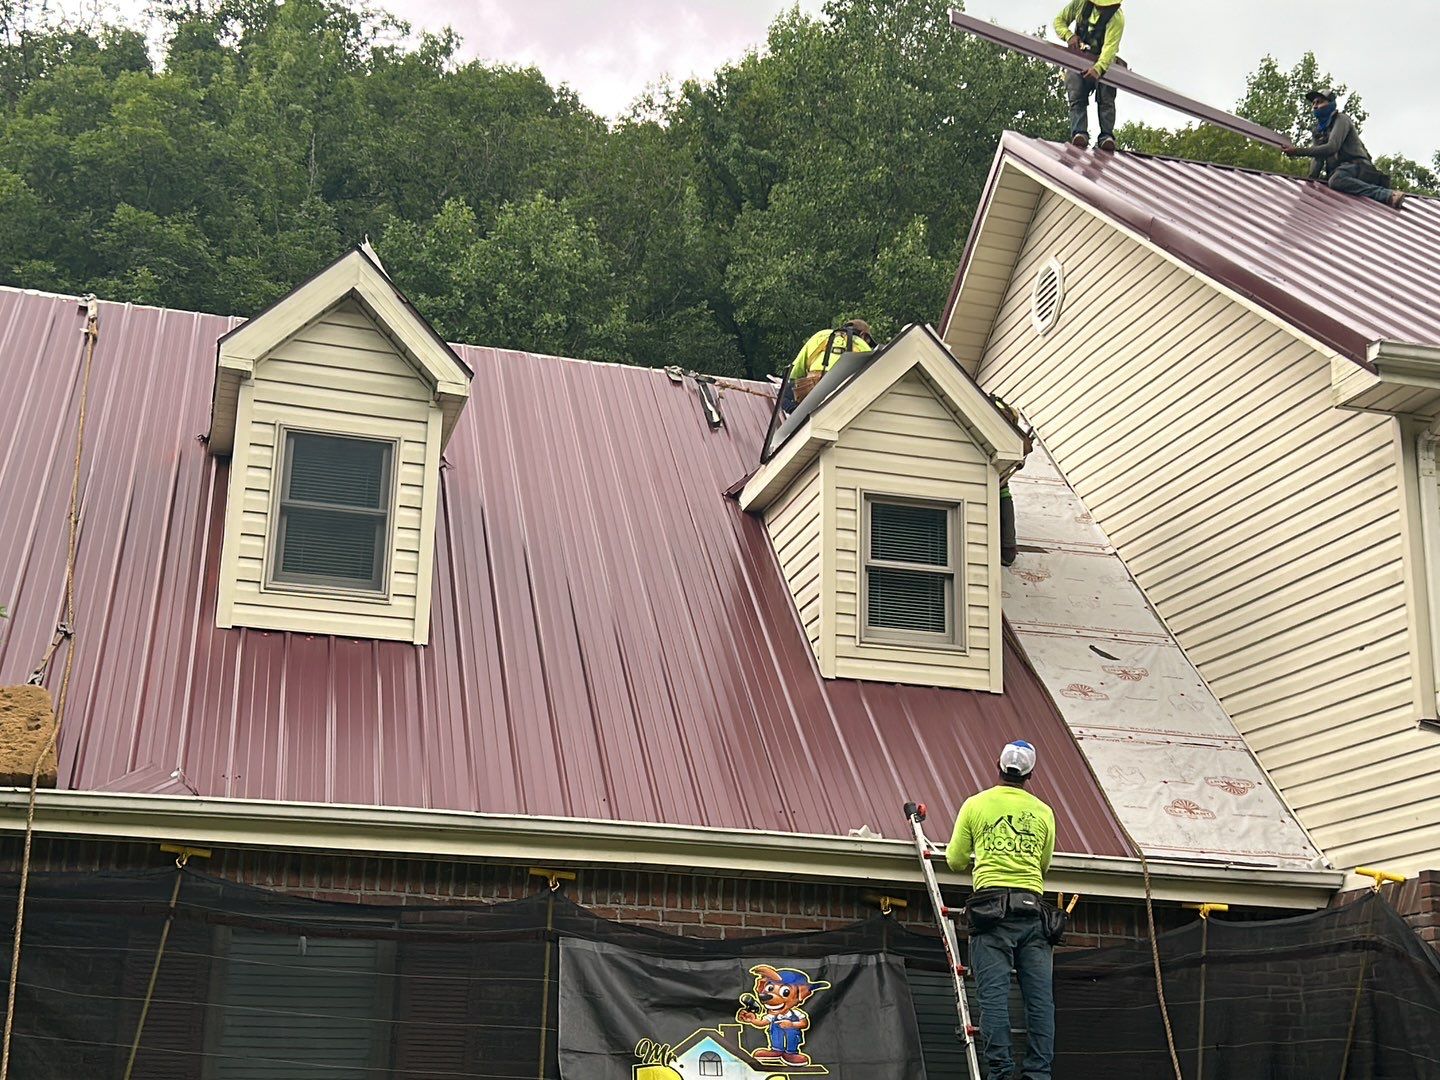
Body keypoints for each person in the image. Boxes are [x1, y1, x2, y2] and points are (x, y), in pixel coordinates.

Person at [947, 741, 1057, 1080]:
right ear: (1030, 774)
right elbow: (1044, 865)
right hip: (1033, 913)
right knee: (1039, 1001)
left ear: (998, 764)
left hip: (991, 914)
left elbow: (954, 860)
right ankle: (1038, 1073)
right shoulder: (1043, 812)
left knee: (993, 997)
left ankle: (1000, 1072)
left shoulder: (976, 805)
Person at [1283, 90, 1405, 209]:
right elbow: (1318, 158)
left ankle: (1387, 195)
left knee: (1336, 180)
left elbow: (1332, 147)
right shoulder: (1319, 130)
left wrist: (1297, 151)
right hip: (1341, 171)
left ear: (1330, 103)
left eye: (1319, 102)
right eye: (1313, 103)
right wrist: (1310, 183)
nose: (1315, 106)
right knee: (1330, 183)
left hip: (1359, 167)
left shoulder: (1341, 119)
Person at [1053, 0, 1125, 151]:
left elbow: (1109, 48)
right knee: (1076, 92)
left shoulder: (1116, 18)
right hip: (1079, 58)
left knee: (1106, 97)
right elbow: (1059, 21)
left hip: (1105, 62)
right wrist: (1069, 36)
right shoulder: (1080, 4)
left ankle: (1106, 136)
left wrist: (1098, 68)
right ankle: (1079, 133)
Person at [787, 319, 875, 384]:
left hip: (813, 385)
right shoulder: (862, 345)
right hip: (843, 386)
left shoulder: (820, 335)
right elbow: (871, 378)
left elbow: (796, 371)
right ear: (863, 335)